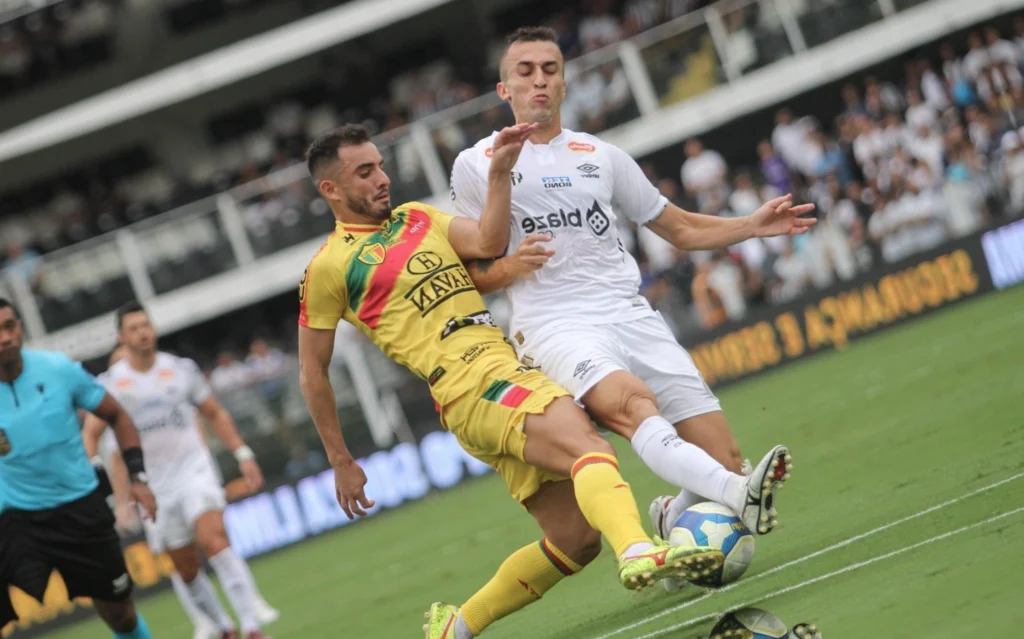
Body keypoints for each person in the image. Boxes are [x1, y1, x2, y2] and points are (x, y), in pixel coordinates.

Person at [296, 123, 725, 639]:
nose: (382, 178)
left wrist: (500, 173)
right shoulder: (328, 269)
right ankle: (638, 550)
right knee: (585, 444)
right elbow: (313, 373)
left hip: (495, 372)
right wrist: (341, 460)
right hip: (466, 380)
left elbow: (486, 242)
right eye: (365, 173)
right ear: (331, 190)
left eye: (381, 166)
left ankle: (457, 626)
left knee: (576, 538)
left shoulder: (417, 218)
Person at [449, 26, 814, 567]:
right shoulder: (476, 162)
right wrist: (506, 258)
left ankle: (675, 517)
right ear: (505, 90)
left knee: (725, 457)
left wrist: (751, 226)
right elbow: (471, 272)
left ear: (565, 82)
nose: (539, 80)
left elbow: (680, 229)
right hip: (554, 324)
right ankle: (741, 496)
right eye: (525, 71)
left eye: (550, 69)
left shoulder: (602, 155)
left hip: (629, 312)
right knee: (632, 404)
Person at [81, 302, 273, 639]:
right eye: (134, 328)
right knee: (185, 570)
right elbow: (92, 434)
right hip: (153, 487)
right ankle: (224, 628)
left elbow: (213, 412)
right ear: (121, 337)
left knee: (214, 540)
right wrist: (98, 485)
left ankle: (252, 627)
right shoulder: (113, 384)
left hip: (194, 471)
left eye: (146, 325)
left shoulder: (181, 369)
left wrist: (243, 453)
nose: (142, 332)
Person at [0, 298, 157, 639]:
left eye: (9, 326)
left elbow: (117, 416)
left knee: (121, 616)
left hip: (79, 508)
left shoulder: (58, 370)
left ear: (20, 327)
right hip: (15, 517)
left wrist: (138, 478)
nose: (4, 337)